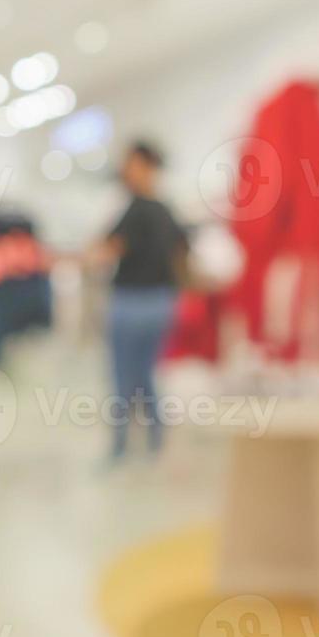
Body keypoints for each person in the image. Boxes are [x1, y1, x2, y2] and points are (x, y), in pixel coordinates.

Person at [94, 141, 189, 463]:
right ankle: (155, 442)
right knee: (147, 375)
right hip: (162, 301)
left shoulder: (136, 210)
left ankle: (120, 447)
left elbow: (106, 250)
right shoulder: (167, 210)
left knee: (124, 376)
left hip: (133, 301)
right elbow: (182, 255)